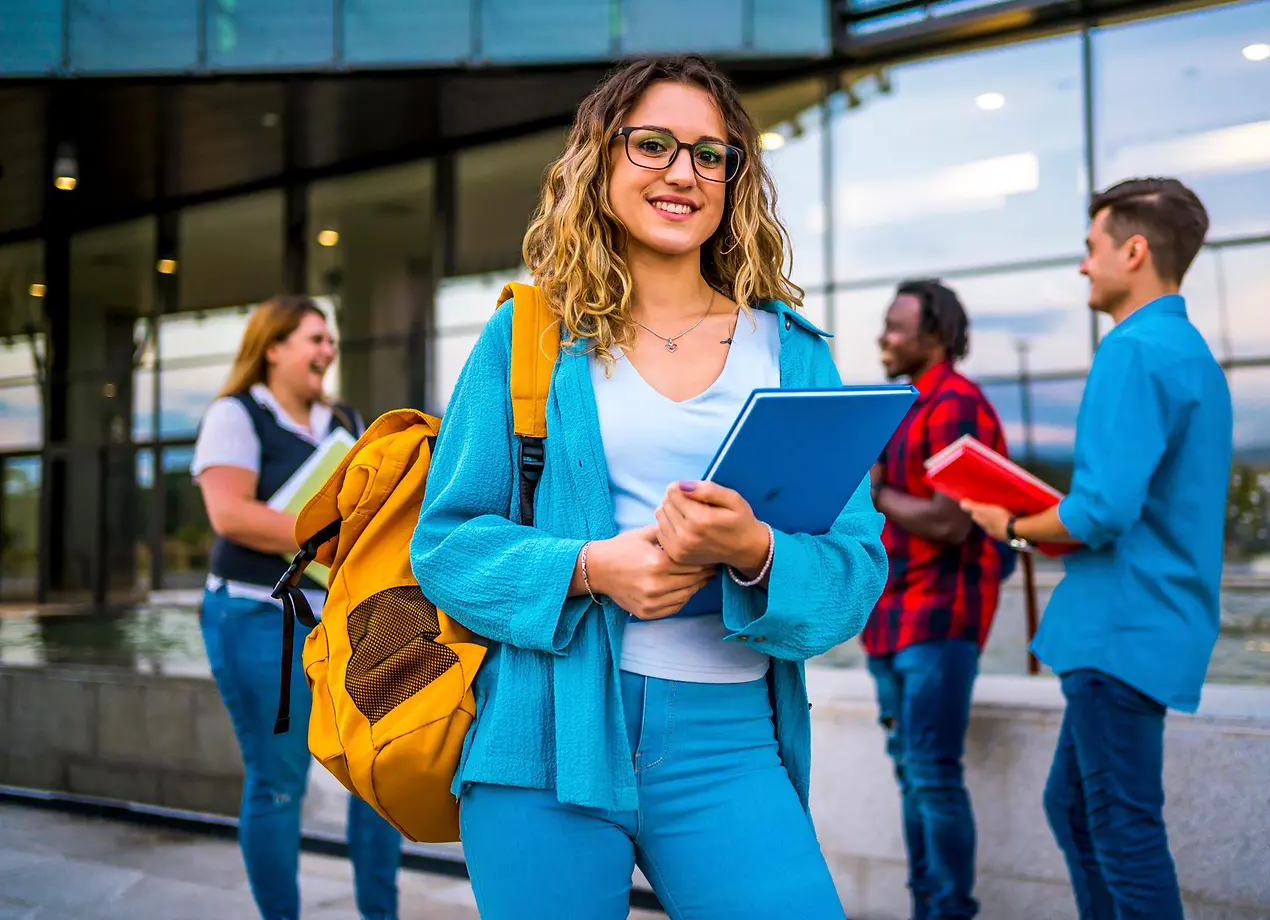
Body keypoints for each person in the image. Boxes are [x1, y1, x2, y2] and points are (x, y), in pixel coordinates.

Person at [410, 55, 887, 920]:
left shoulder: (795, 353)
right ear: (601, 159)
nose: (684, 173)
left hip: (731, 744)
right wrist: (591, 567)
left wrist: (755, 553)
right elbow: (445, 544)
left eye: (712, 154)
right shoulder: (532, 334)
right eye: (654, 144)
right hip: (542, 738)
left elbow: (855, 568)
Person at [963, 178, 1232, 920]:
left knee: (1120, 828)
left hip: (1122, 631)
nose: (1084, 266)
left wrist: (1012, 525)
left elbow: (1102, 511)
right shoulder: (1187, 350)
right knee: (1078, 812)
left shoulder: (1134, 349)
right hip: (1148, 626)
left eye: (1092, 248)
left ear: (1135, 250)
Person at [193, 294, 403, 920]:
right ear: (273, 347)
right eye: (314, 338)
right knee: (278, 783)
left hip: (342, 618)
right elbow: (230, 514)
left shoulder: (343, 417)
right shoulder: (235, 415)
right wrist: (324, 533)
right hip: (256, 616)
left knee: (377, 775)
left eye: (330, 339)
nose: (327, 350)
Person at [864, 279, 1009, 920]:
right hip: (891, 617)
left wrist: (873, 492)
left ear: (935, 336)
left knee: (932, 775)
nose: (883, 338)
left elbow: (952, 523)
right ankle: (929, 908)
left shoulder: (956, 405)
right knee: (911, 773)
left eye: (896, 327)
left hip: (939, 616)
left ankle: (949, 912)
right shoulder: (903, 404)